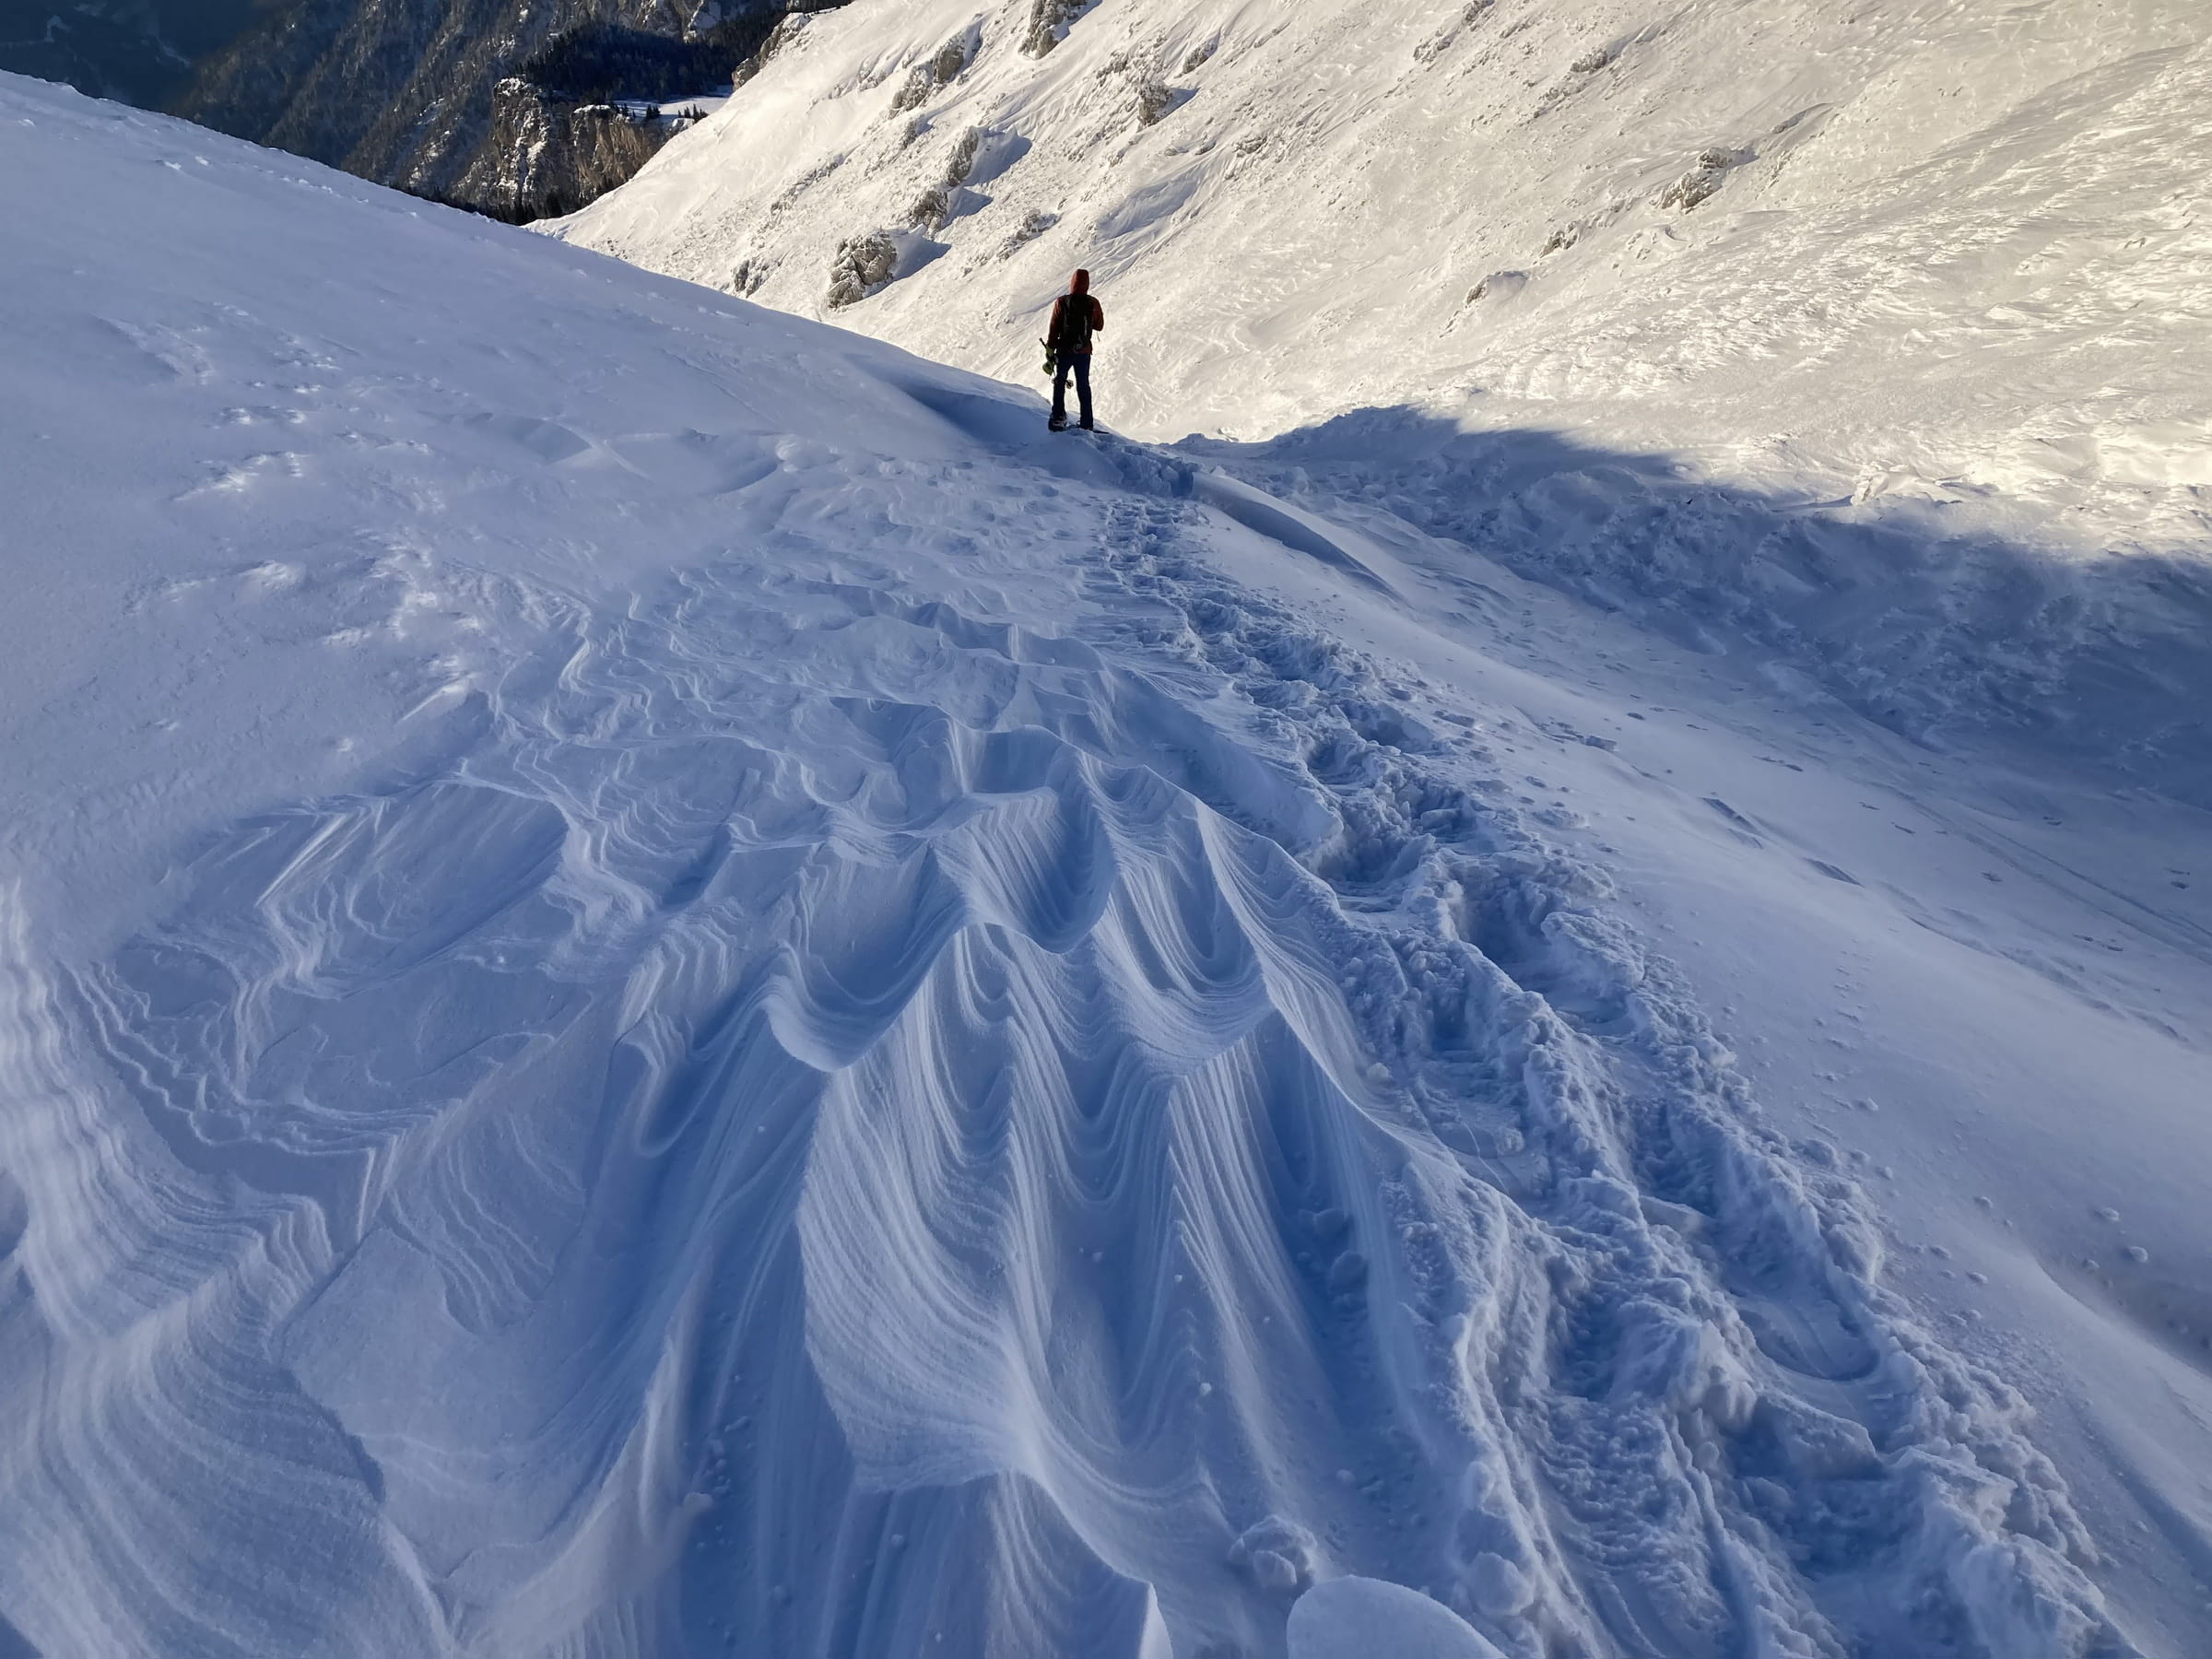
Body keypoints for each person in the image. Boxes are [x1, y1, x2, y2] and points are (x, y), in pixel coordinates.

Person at [1047, 269, 1104, 431]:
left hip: (1064, 351)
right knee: (1083, 386)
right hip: (1084, 352)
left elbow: (1054, 329)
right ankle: (1087, 423)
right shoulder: (1092, 303)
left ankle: (1058, 418)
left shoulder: (1061, 302)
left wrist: (1050, 350)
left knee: (1060, 382)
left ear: (1072, 282)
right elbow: (1099, 326)